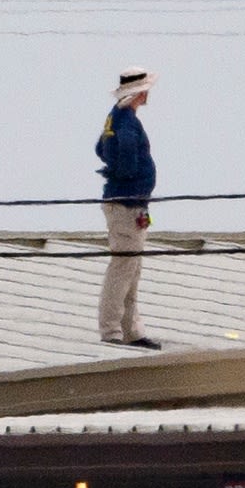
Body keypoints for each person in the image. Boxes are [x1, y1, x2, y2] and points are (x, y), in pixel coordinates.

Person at [95, 68, 160, 349]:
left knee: (131, 269)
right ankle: (113, 330)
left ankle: (130, 329)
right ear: (138, 92)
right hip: (127, 205)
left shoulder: (116, 117)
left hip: (129, 204)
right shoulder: (127, 124)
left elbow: (99, 148)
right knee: (124, 268)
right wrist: (134, 180)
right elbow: (127, 162)